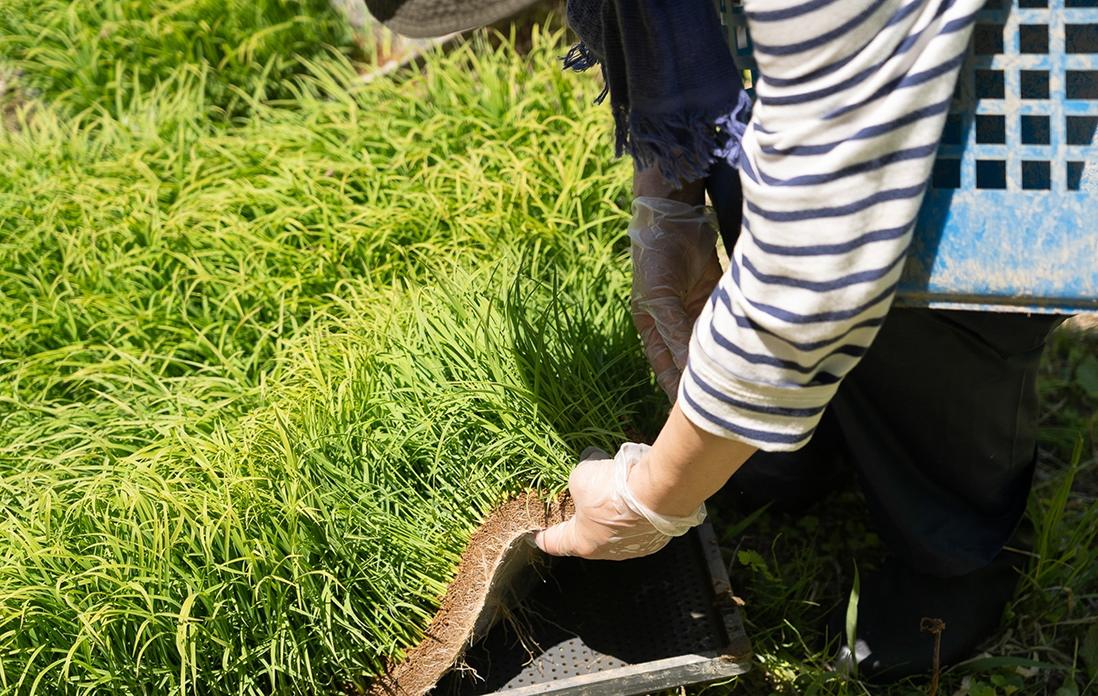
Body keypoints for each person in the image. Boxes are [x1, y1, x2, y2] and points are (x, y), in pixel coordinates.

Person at [366, 0, 1064, 681]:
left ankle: (955, 552)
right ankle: (805, 429)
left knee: (932, 322)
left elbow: (821, 259)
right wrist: (670, 191)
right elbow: (692, 39)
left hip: (991, 149)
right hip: (829, 104)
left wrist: (654, 497)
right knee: (746, 166)